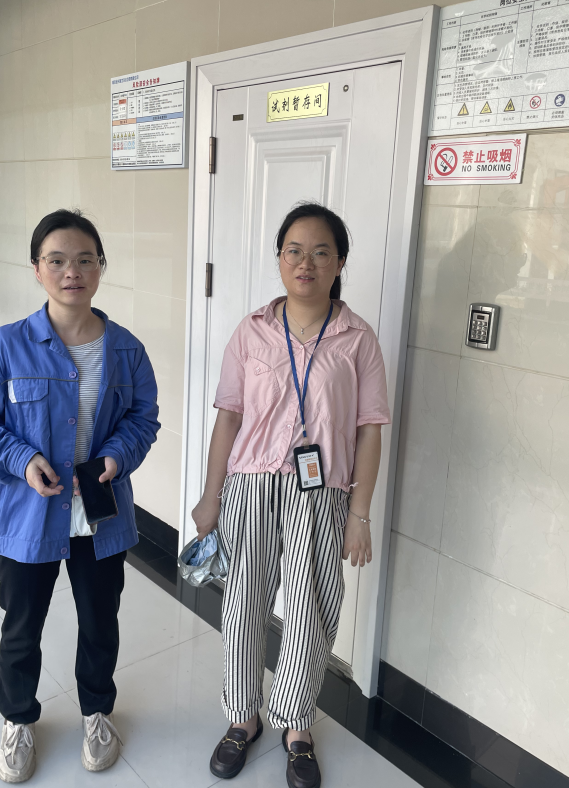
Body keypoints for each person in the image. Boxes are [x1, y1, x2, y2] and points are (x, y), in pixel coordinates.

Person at [0, 209, 160, 783]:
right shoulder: (6, 346)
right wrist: (21, 459)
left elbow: (144, 417)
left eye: (85, 260)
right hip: (28, 516)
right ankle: (18, 718)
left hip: (101, 516)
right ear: (37, 269)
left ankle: (97, 712)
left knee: (100, 623)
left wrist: (117, 455)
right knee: (21, 628)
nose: (73, 271)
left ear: (100, 268)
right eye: (58, 260)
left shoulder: (126, 350)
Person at [192, 202, 391, 788]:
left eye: (321, 252)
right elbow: (229, 418)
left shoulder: (358, 339)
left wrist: (360, 514)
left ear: (340, 263)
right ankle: (242, 716)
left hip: (321, 491)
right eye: (294, 251)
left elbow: (369, 429)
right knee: (244, 601)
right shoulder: (251, 330)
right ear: (279, 259)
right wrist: (210, 495)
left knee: (310, 608)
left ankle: (297, 725)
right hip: (251, 485)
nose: (306, 263)